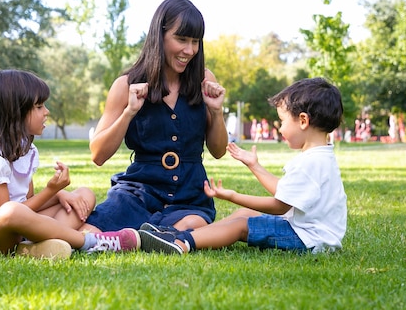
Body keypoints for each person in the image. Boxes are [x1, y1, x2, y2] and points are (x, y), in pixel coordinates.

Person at [139, 77, 347, 255]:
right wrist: (254, 165)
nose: (280, 128)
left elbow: (280, 205)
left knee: (240, 225)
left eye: (282, 121)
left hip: (309, 239)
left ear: (303, 120)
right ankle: (184, 235)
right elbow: (287, 192)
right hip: (314, 233)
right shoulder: (321, 157)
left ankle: (181, 244)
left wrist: (232, 196)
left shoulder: (310, 162)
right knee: (243, 214)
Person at [0, 69, 140, 260]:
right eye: (39, 106)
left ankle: (33, 247)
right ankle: (90, 242)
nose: (47, 112)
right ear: (14, 112)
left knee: (84, 195)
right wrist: (52, 191)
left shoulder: (26, 150)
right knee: (11, 210)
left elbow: (28, 204)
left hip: (19, 228)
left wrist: (59, 193)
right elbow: (3, 216)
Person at [81, 0, 228, 234]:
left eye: (195, 41)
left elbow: (219, 151)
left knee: (194, 224)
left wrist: (216, 110)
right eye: (181, 39)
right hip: (137, 193)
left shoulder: (204, 79)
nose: (189, 50)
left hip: (189, 196)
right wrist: (129, 112)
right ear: (159, 36)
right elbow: (98, 154)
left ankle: (144, 236)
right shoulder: (125, 85)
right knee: (90, 232)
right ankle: (145, 234)